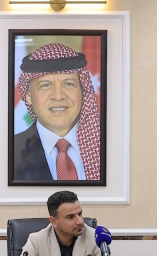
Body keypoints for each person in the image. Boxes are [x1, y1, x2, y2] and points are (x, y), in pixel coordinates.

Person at [13, 43, 101, 182]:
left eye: (69, 84)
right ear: (28, 96)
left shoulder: (109, 147)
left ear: (83, 91)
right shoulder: (10, 151)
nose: (58, 96)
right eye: (46, 85)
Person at [10, 191, 110, 256]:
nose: (80, 221)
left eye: (80, 214)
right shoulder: (36, 240)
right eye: (70, 217)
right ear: (54, 221)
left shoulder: (96, 238)